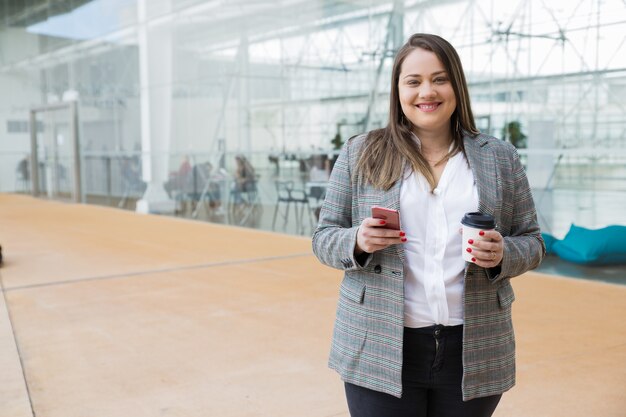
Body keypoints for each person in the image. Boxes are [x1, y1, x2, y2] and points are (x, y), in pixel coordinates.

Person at [312, 33, 545, 417]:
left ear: (456, 85)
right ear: (398, 90)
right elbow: (324, 238)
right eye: (414, 81)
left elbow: (533, 241)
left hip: (474, 346)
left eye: (439, 79)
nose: (427, 92)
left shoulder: (499, 157)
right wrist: (358, 240)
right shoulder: (361, 152)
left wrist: (505, 252)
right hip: (379, 343)